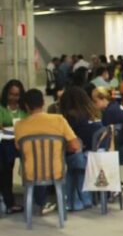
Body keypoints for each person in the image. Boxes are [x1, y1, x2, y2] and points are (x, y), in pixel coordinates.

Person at [14, 89, 80, 214]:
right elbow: (75, 146)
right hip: (56, 171)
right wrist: (60, 148)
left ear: (26, 106)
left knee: (31, 163)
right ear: (43, 102)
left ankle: (39, 202)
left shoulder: (19, 125)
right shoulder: (59, 120)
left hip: (31, 172)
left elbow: (19, 148)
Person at [60, 86, 103, 210]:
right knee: (77, 164)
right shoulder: (94, 113)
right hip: (97, 154)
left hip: (81, 156)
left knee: (71, 162)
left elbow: (70, 142)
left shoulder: (72, 117)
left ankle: (72, 200)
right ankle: (84, 199)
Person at [0, 80, 27, 213]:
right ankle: (8, 201)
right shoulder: (2, 108)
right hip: (6, 141)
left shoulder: (24, 108)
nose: (13, 98)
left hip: (23, 140)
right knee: (5, 164)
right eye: (11, 94)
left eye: (17, 95)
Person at [92, 87, 123, 162]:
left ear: (103, 99)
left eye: (95, 101)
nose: (94, 104)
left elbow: (105, 135)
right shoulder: (115, 106)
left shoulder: (110, 112)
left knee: (96, 154)